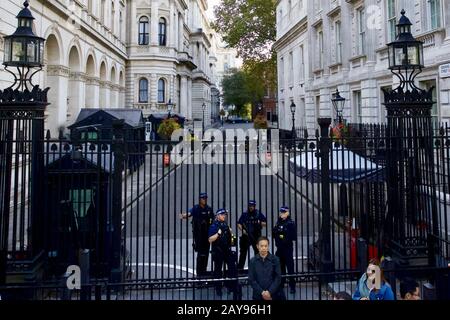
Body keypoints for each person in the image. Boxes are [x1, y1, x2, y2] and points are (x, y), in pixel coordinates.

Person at [180, 192, 215, 277]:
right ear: (200, 199)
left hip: (207, 234)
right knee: (200, 254)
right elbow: (189, 214)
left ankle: (204, 271)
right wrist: (183, 216)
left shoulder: (209, 209)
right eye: (203, 198)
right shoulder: (196, 208)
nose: (205, 200)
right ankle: (199, 273)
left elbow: (213, 219)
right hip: (198, 235)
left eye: (205, 198)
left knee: (206, 253)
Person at [208, 209, 239, 298]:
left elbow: (230, 238)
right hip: (218, 251)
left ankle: (231, 286)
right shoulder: (214, 226)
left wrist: (231, 233)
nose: (224, 216)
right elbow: (210, 239)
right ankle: (218, 288)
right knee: (218, 270)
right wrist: (218, 234)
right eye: (222, 214)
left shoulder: (225, 225)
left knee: (232, 267)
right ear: (217, 216)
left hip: (226, 250)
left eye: (224, 215)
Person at [248, 236, 285, 301]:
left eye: (266, 246)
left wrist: (269, 292)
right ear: (257, 246)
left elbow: (278, 277)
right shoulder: (252, 261)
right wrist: (262, 292)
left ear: (268, 247)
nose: (264, 248)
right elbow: (251, 279)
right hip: (258, 296)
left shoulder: (275, 260)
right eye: (261, 246)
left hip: (274, 295)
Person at [272, 206, 297, 294]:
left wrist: (282, 237)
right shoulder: (278, 222)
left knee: (290, 267)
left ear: (288, 213)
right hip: (279, 249)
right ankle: (281, 283)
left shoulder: (290, 223)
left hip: (287, 249)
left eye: (284, 212)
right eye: (281, 212)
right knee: (280, 267)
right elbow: (274, 232)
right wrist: (279, 235)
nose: (282, 214)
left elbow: (293, 236)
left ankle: (292, 286)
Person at [237, 200, 267, 270]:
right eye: (250, 206)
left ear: (254, 206)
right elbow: (239, 223)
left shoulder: (258, 213)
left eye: (252, 206)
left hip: (256, 236)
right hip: (246, 236)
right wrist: (242, 230)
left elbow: (265, 223)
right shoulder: (245, 214)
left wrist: (259, 223)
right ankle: (240, 269)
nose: (251, 207)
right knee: (243, 254)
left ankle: (258, 268)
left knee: (257, 253)